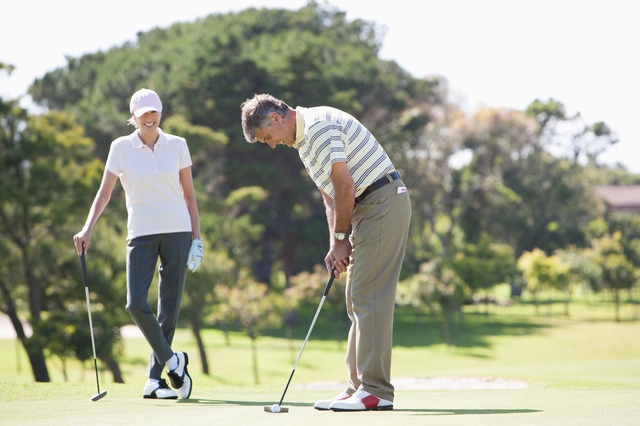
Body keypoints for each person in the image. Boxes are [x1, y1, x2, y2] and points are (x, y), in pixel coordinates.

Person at [241, 94, 411, 412]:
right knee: (356, 299)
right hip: (365, 209)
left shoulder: (318, 127)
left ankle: (376, 390)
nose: (272, 145)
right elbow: (330, 196)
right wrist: (336, 245)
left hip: (383, 201)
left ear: (276, 118)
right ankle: (357, 387)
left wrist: (343, 237)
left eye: (268, 137)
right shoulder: (304, 142)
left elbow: (345, 186)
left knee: (368, 296)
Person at [73, 88, 203, 400]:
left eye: (154, 111)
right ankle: (174, 361)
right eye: (143, 113)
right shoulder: (120, 147)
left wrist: (197, 238)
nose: (150, 117)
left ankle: (153, 381)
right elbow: (104, 193)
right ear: (133, 117)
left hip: (177, 232)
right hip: (141, 234)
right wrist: (87, 229)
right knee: (135, 303)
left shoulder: (178, 145)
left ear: (160, 113)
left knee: (168, 309)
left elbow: (189, 195)